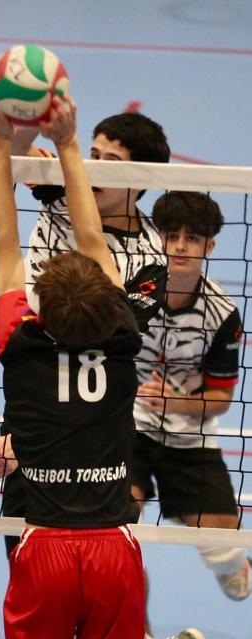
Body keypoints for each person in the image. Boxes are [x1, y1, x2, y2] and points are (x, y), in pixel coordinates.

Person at [0, 83, 221, 639]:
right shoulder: (121, 328)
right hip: (105, 532)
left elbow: (6, 252)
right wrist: (65, 146)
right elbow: (88, 251)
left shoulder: (19, 335)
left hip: (52, 518)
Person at [133, 192, 249, 597]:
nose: (180, 245)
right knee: (115, 532)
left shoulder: (222, 313)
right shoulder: (135, 290)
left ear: (209, 246)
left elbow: (220, 398)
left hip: (188, 434)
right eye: (172, 235)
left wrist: (172, 401)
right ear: (158, 238)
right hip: (126, 429)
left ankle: (235, 564)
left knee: (226, 551)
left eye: (193, 238)